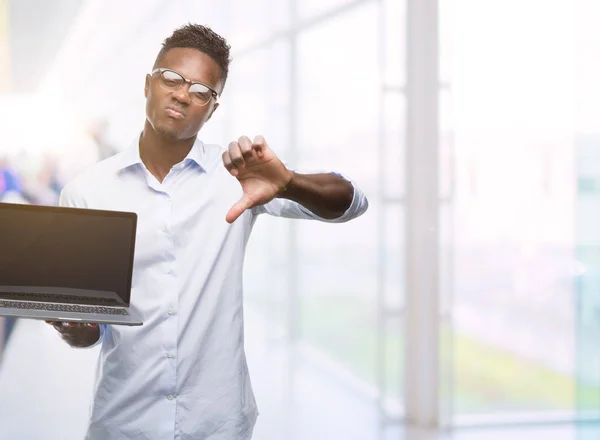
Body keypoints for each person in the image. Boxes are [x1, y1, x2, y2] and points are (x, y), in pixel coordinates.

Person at [46, 23, 368, 440]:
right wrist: (75, 327)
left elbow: (352, 202)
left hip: (217, 424)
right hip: (124, 423)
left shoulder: (239, 176)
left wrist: (288, 182)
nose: (183, 95)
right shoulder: (87, 191)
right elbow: (87, 334)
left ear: (212, 109)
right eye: (173, 79)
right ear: (148, 84)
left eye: (201, 91)